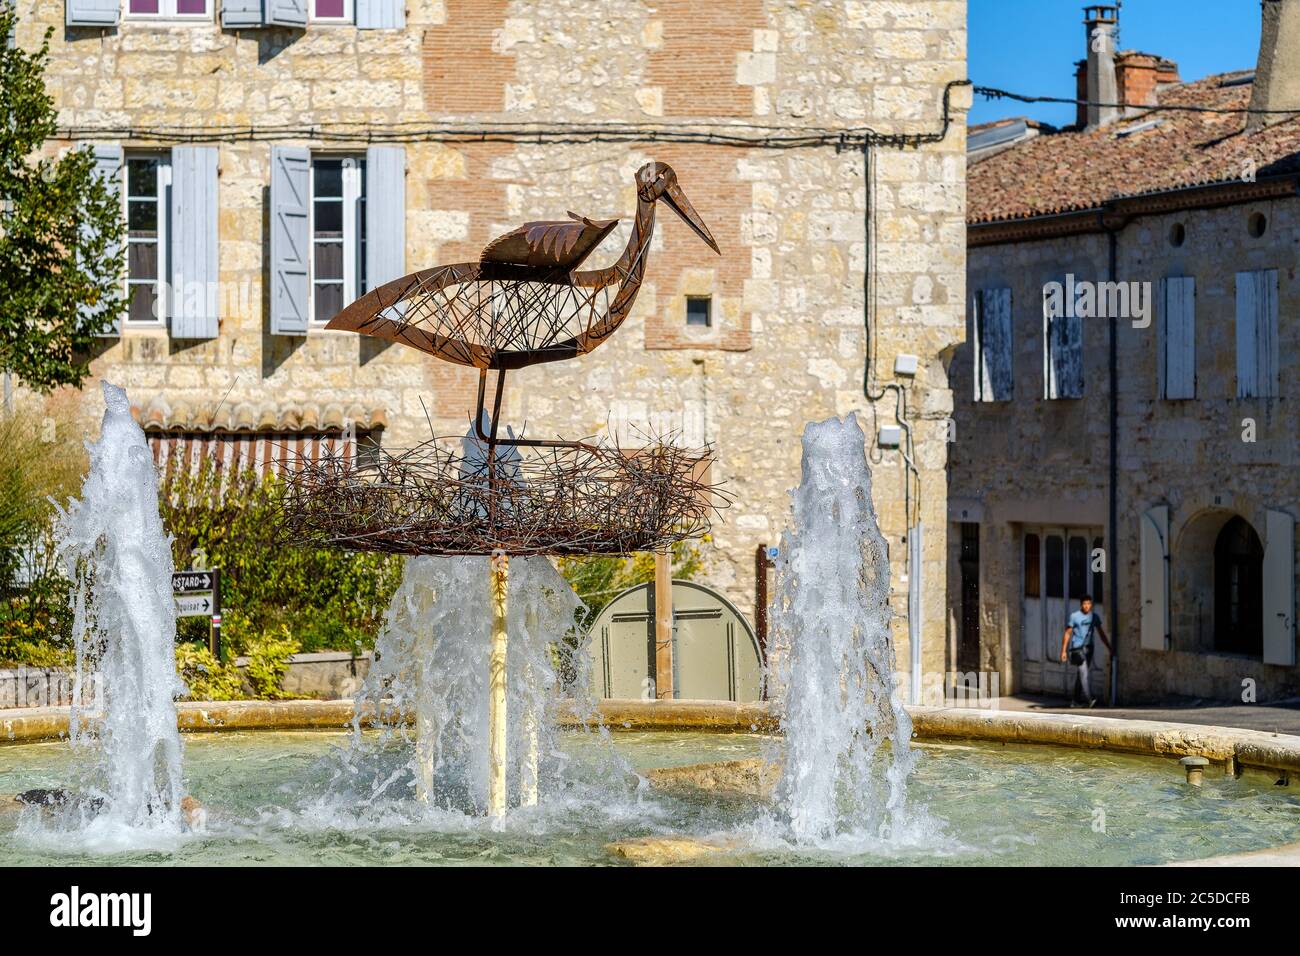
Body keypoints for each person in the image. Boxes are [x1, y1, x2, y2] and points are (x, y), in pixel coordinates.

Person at [1059, 594, 1111, 707]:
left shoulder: (1094, 617)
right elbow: (1067, 633)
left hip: (1089, 648)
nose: (1087, 606)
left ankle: (1075, 701)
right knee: (1084, 673)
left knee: (1081, 674)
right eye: (1084, 604)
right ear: (1081, 605)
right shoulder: (1075, 616)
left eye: (1088, 604)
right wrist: (1063, 651)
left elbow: (1101, 633)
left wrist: (1109, 647)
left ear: (1091, 605)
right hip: (1077, 649)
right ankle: (1090, 699)